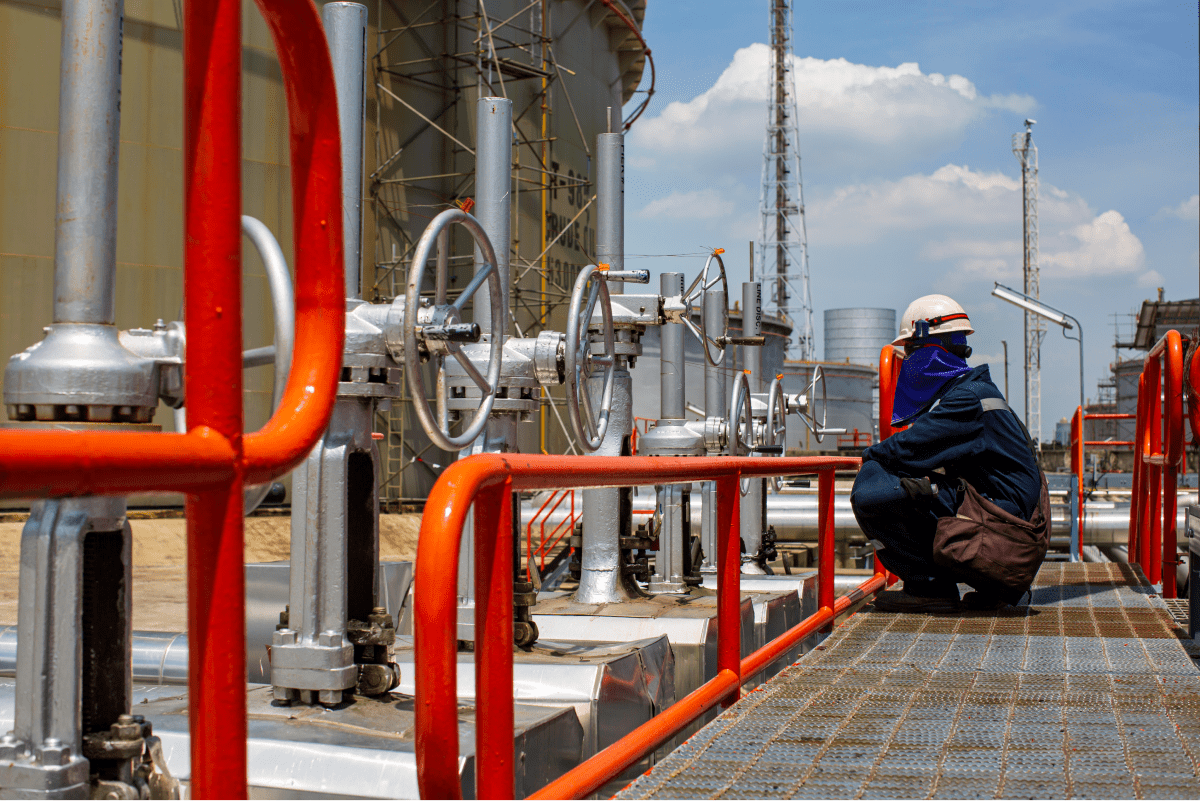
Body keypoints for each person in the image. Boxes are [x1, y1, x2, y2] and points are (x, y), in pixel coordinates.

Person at [851, 294, 1046, 613]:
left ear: (927, 348)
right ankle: (981, 583)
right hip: (1013, 529)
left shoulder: (967, 399)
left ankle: (930, 586)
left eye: (911, 350)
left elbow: (905, 449)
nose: (907, 360)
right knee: (909, 484)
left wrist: (867, 455)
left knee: (871, 491)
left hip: (1008, 538)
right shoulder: (976, 391)